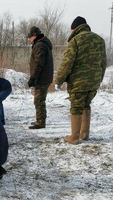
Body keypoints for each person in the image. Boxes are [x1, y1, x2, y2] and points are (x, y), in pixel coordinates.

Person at [54, 16, 107, 144]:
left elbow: (67, 63)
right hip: (94, 82)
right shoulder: (100, 40)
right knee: (86, 105)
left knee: (76, 107)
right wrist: (99, 79)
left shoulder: (75, 41)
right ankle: (84, 134)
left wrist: (58, 80)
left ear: (74, 29)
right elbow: (103, 63)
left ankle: (74, 137)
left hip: (79, 82)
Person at [27, 26, 54, 129]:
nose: (29, 39)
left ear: (34, 36)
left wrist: (33, 78)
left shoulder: (39, 46)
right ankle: (40, 120)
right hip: (44, 78)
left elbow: (39, 64)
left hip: (41, 79)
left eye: (29, 37)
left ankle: (41, 122)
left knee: (39, 100)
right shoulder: (42, 44)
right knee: (39, 100)